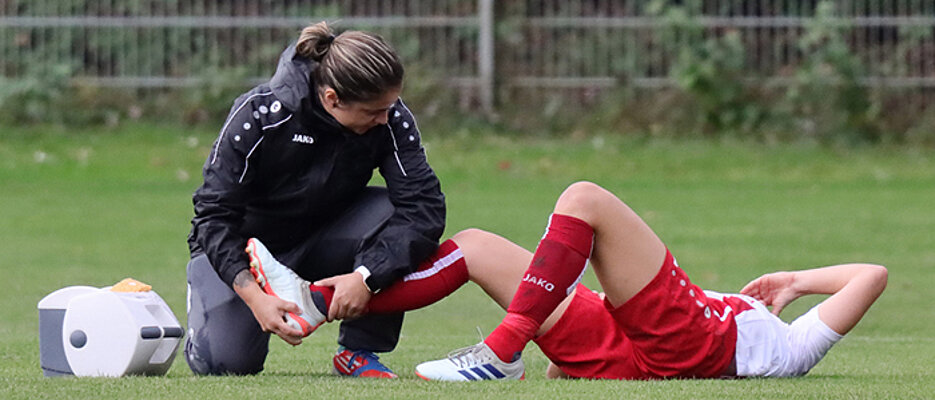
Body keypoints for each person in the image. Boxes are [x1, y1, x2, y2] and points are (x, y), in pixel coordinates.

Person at [246, 181, 886, 381]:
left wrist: (796, 281)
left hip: (685, 342)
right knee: (474, 248)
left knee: (585, 199)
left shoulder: (794, 350)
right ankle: (315, 301)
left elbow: (871, 276)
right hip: (629, 346)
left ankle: (501, 349)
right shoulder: (761, 335)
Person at [185, 20, 445, 378]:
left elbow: (423, 208)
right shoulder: (258, 115)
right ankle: (204, 305)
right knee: (224, 365)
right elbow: (212, 217)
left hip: (326, 238)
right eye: (373, 112)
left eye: (390, 106)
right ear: (332, 99)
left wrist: (367, 277)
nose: (386, 119)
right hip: (246, 248)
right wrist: (252, 295)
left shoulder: (391, 118)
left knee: (396, 217)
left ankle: (358, 350)